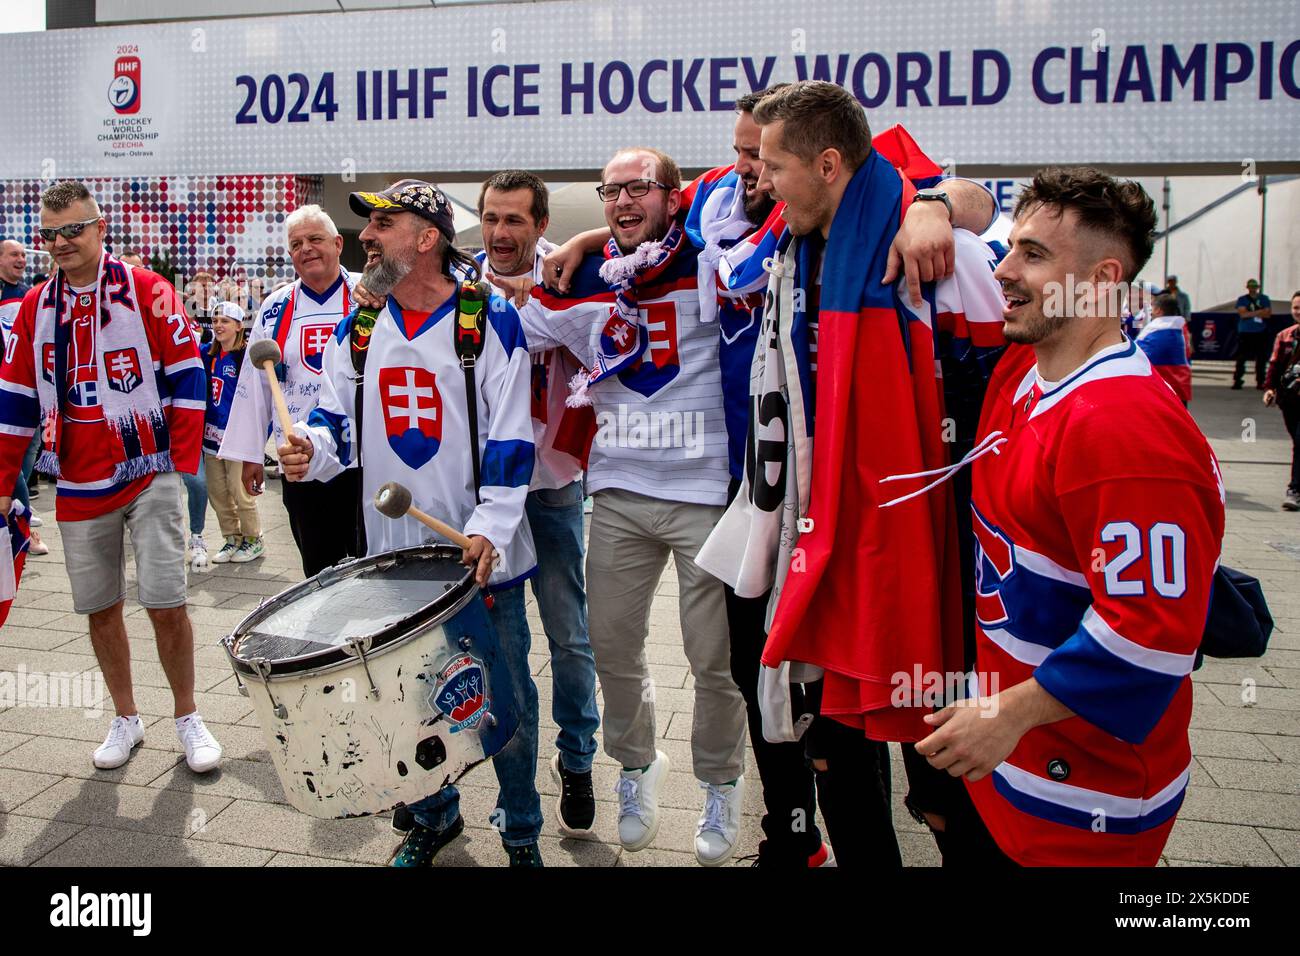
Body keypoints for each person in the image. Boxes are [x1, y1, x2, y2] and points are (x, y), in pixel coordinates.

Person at [696, 80, 1006, 869]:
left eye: (768, 164)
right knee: (831, 747)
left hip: (915, 559)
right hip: (813, 534)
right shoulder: (791, 252)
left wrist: (939, 202)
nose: (755, 181)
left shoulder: (936, 252)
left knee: (940, 773)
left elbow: (1000, 409)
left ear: (829, 163)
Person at [915, 167, 1225, 866]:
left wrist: (1010, 714)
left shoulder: (1123, 427)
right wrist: (937, 206)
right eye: (1011, 247)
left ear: (1099, 277)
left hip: (1086, 797)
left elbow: (1151, 632)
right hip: (1008, 763)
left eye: (1033, 255)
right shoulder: (1019, 372)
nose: (1003, 271)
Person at [278, 179, 544, 867]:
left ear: (426, 239)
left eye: (382, 224)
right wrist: (312, 448)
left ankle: (521, 833)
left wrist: (490, 527)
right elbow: (336, 420)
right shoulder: (359, 327)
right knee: (407, 704)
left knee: (505, 705)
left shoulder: (486, 321)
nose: (364, 236)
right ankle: (433, 818)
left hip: (480, 553)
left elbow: (513, 441)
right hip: (394, 557)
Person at [506, 147, 750, 866]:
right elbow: (512, 333)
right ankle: (638, 770)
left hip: (705, 494)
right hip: (615, 492)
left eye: (638, 187)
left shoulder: (716, 261)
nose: (620, 201)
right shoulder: (579, 275)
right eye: (609, 190)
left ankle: (720, 782)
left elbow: (746, 190)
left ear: (674, 196)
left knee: (715, 660)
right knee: (611, 647)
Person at [0, 180, 222, 773]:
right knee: (100, 608)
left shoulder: (147, 290)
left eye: (74, 228)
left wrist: (176, 463)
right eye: (50, 233)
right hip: (75, 477)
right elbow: (17, 397)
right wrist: (3, 481)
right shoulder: (33, 309)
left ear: (101, 227)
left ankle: (187, 715)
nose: (61, 242)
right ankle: (126, 717)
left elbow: (188, 371)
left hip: (147, 469)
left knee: (165, 601)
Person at [476, 170, 600, 836]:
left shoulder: (571, 279)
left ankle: (577, 759)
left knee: (570, 637)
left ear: (540, 224)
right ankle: (515, 784)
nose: (500, 233)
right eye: (492, 218)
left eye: (515, 220)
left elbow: (608, 342)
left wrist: (542, 304)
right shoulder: (463, 289)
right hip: (490, 496)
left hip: (551, 488)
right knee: (505, 648)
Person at [218, 205, 363, 576]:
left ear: (337, 243)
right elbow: (256, 385)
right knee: (317, 566)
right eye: (296, 243)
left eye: (315, 239)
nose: (306, 249)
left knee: (368, 564)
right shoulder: (275, 307)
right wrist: (251, 453)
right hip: (298, 458)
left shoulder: (368, 296)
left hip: (362, 456)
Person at [204, 301, 264, 561]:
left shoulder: (244, 357)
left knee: (241, 492)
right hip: (211, 437)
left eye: (225, 321)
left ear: (239, 326)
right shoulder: (207, 354)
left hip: (237, 436)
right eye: (215, 320)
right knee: (218, 493)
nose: (218, 325)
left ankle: (253, 539)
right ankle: (231, 538)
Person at [0, 239, 47, 556]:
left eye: (22, 255)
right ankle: (26, 525)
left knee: (27, 449)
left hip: (28, 387)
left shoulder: (30, 295)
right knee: (9, 458)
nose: (21, 259)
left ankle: (19, 509)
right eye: (14, 254)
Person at [1263, 291, 1300, 511]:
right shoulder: (1285, 336)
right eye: (1296, 307)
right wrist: (1269, 388)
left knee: (1299, 441)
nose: (1298, 312)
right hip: (1289, 399)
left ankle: (1294, 489)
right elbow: (1275, 365)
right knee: (1297, 440)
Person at [1135, 292, 1194, 405]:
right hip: (1180, 386)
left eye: (1152, 306)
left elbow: (1138, 355)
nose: (1150, 311)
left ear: (1158, 310)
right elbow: (1188, 352)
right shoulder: (1182, 327)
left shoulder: (1155, 329)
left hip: (1159, 388)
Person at [1233, 278, 1272, 390]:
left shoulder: (1264, 299)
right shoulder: (1242, 299)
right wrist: (1260, 312)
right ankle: (1237, 380)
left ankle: (1260, 381)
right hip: (1245, 332)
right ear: (1248, 287)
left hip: (1260, 332)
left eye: (1254, 287)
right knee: (1241, 358)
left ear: (1257, 287)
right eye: (1251, 286)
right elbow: (1243, 314)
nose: (1253, 289)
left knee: (1261, 359)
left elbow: (1268, 314)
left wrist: (1250, 313)